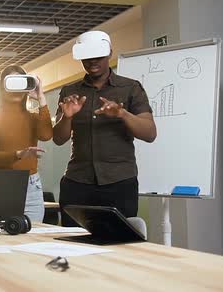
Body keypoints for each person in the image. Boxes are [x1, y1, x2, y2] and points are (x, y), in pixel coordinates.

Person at [53, 30, 157, 226]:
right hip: (77, 183)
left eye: (98, 55)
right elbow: (58, 139)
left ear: (109, 52)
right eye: (87, 56)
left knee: (119, 243)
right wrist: (67, 118)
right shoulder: (69, 91)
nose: (92, 61)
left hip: (119, 183)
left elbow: (150, 133)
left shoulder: (131, 88)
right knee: (74, 244)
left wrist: (122, 114)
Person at [0, 65, 53, 222]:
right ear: (2, 87)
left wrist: (41, 98)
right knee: (2, 239)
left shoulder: (33, 118)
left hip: (31, 186)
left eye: (20, 84)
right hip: (2, 184)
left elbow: (46, 135)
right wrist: (18, 154)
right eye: (11, 84)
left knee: (33, 239)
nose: (15, 90)